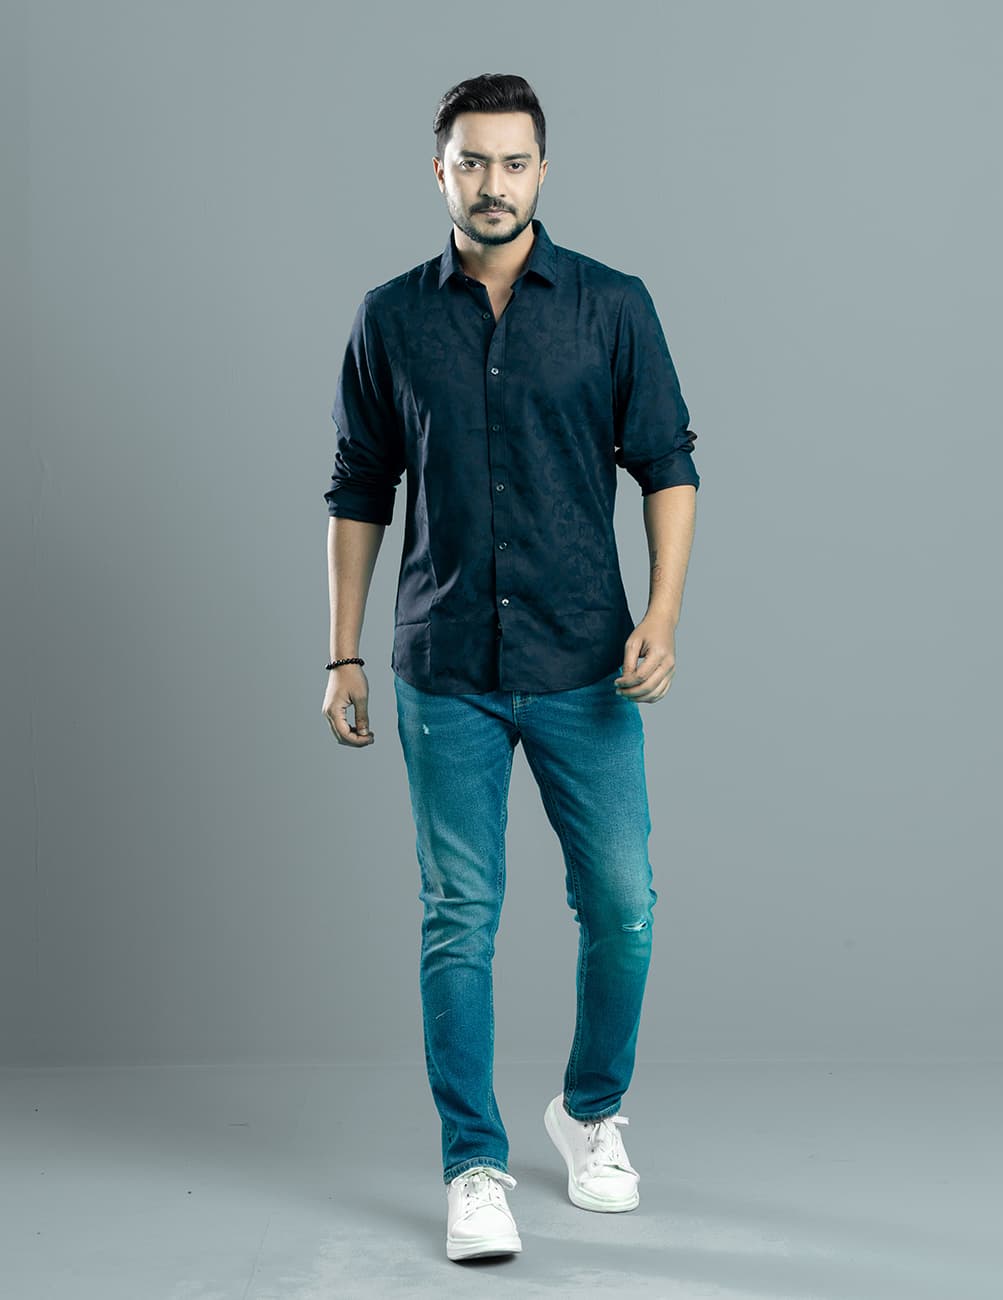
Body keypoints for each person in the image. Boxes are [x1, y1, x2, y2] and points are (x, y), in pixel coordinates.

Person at [321, 72, 700, 1263]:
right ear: (438, 171)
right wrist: (341, 650)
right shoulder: (389, 318)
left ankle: (589, 1111)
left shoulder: (610, 306)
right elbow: (357, 487)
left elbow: (667, 464)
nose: (493, 184)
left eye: (514, 161)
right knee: (458, 918)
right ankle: (472, 1164)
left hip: (586, 661)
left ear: (543, 170)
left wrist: (662, 615)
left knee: (622, 905)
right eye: (472, 161)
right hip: (445, 666)